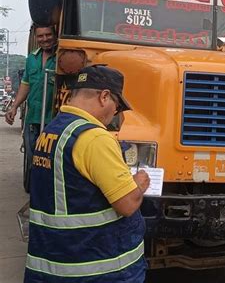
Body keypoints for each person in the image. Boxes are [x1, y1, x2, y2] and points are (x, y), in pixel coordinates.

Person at [24, 65, 150, 283]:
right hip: (96, 267)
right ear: (104, 97)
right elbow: (127, 204)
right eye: (117, 107)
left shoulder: (52, 131)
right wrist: (139, 183)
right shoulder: (95, 138)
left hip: (54, 259)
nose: (114, 115)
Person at [5, 25, 57, 191]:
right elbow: (25, 85)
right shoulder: (31, 59)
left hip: (53, 120)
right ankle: (35, 195)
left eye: (48, 35)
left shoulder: (63, 57)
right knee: (32, 159)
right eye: (40, 36)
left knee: (51, 161)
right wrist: (14, 107)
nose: (45, 39)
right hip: (32, 119)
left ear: (55, 35)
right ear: (36, 38)